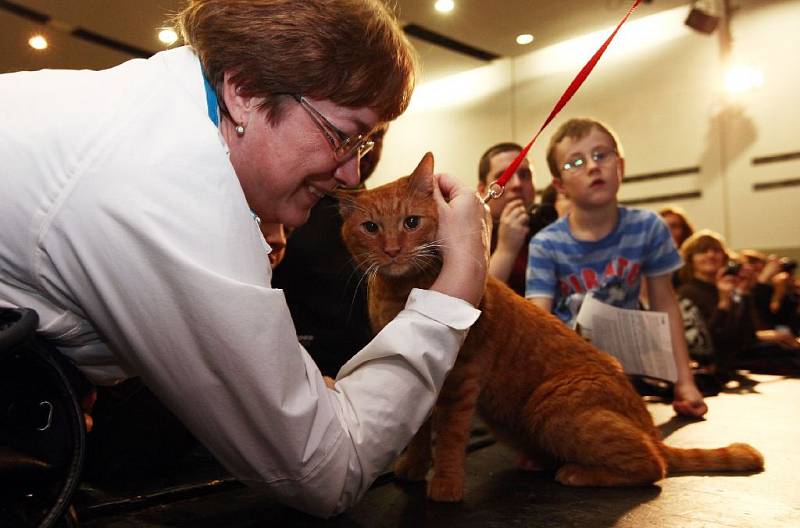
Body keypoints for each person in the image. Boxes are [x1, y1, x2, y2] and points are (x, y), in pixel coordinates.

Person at [0, 0, 489, 517]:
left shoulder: (145, 110)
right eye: (344, 136)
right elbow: (325, 469)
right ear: (246, 92)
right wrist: (460, 280)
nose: (351, 175)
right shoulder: (169, 187)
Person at [525, 117, 707, 418]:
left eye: (601, 155)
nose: (593, 167)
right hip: (566, 371)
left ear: (620, 166)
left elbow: (666, 304)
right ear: (560, 185)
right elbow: (538, 322)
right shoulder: (546, 244)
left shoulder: (649, 227)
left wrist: (685, 383)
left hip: (624, 368)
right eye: (575, 162)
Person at [271, 125, 388, 376]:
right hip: (302, 377)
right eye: (355, 134)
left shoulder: (387, 218)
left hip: (367, 376)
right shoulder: (287, 208)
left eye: (377, 136)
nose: (365, 147)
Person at [676, 231, 800, 380]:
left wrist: (744, 293)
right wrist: (723, 304)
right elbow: (707, 345)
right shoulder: (687, 293)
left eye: (716, 251)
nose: (711, 255)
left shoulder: (727, 287)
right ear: (691, 260)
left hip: (743, 354)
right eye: (702, 251)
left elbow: (748, 335)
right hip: (721, 362)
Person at [477, 142, 536, 295]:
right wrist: (506, 250)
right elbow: (476, 300)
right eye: (504, 177)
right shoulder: (472, 237)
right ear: (482, 189)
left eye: (524, 175)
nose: (517, 184)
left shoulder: (546, 227)